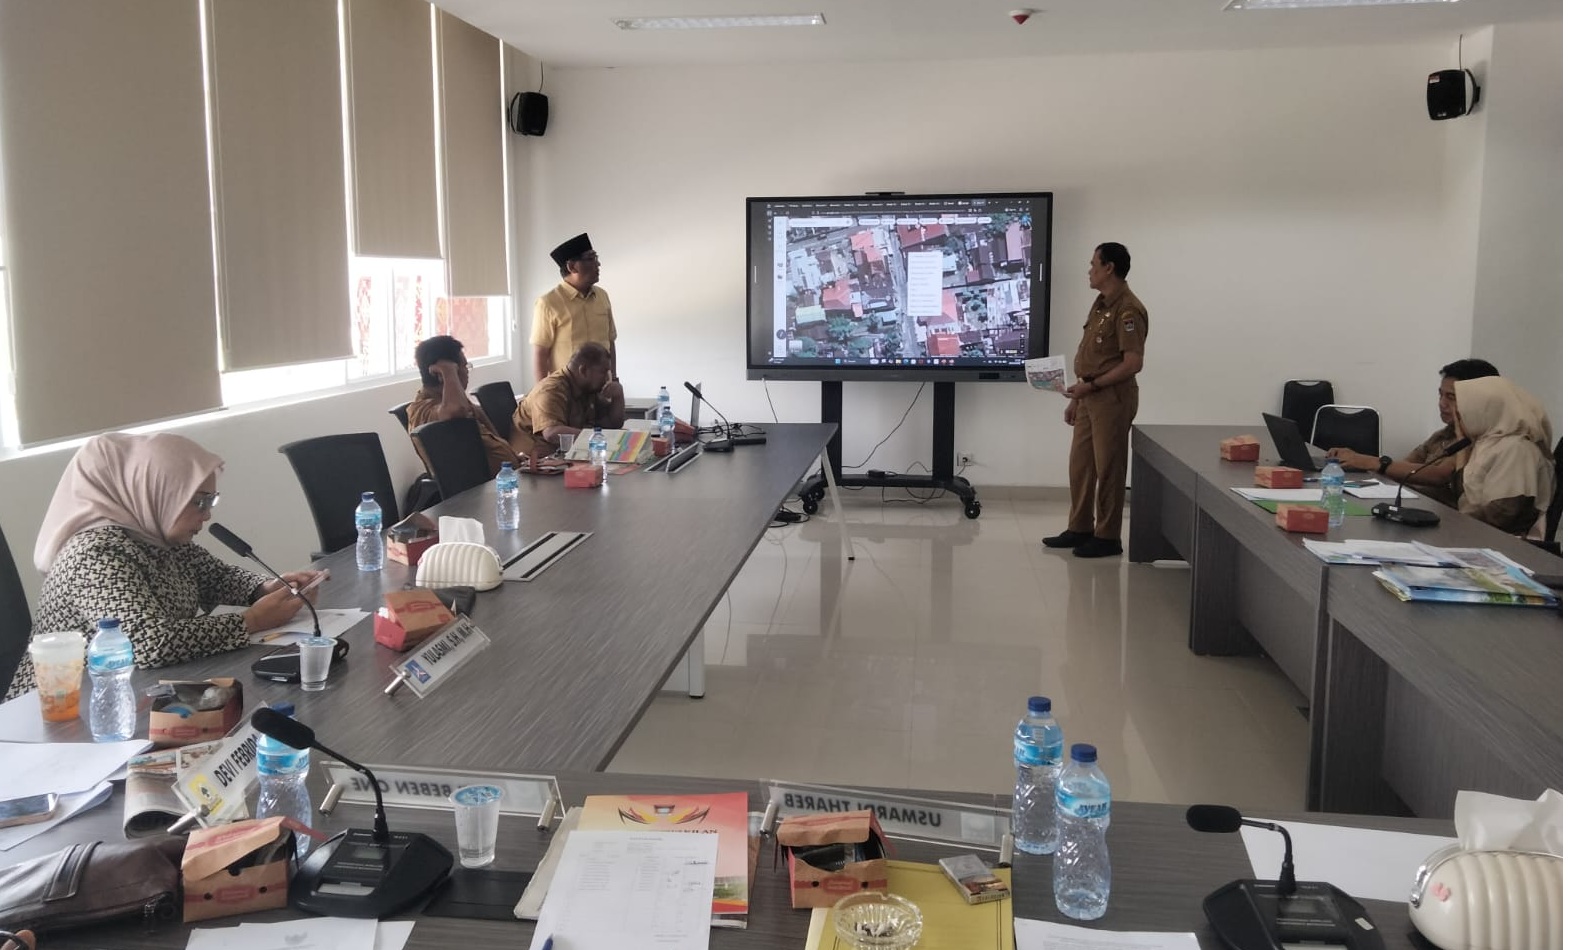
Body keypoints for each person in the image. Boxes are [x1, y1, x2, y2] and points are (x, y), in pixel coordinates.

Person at [3, 434, 318, 701]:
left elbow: (217, 577)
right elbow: (148, 643)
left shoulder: (156, 536)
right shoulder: (94, 554)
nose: (206, 515)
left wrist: (265, 587)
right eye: (199, 502)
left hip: (133, 695)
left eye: (211, 501)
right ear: (156, 491)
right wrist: (252, 620)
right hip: (60, 714)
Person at [1043, 243, 1148, 559]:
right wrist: (1078, 397)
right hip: (1088, 397)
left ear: (1109, 268)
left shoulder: (1128, 309)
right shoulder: (1101, 304)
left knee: (1109, 469)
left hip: (1111, 399)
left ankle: (1107, 536)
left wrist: (1092, 386)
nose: (1089, 270)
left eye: (1093, 264)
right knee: (1081, 466)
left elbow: (1132, 363)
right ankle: (1080, 527)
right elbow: (1093, 356)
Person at [1327, 358, 1499, 507]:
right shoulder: (1443, 435)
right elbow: (1405, 466)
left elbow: (1440, 475)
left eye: (1451, 397)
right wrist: (1356, 462)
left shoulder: (1478, 438)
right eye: (1440, 395)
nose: (1442, 403)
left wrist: (1368, 461)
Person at [1450, 376, 1554, 537]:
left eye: (1461, 415)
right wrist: (1461, 442)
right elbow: (1460, 494)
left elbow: (1501, 515)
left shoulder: (1518, 449)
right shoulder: (1486, 444)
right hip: (1476, 534)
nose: (1458, 420)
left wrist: (1453, 523)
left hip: (1508, 546)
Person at [407, 335, 525, 473]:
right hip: (480, 491)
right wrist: (449, 371)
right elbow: (456, 409)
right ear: (440, 374)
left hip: (506, 479)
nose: (467, 371)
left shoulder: (453, 400)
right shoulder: (421, 409)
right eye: (463, 366)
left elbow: (492, 434)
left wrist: (514, 456)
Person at [532, 232, 616, 382]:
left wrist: (614, 379)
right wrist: (543, 393)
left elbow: (610, 342)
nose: (598, 264)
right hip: (567, 392)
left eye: (596, 258)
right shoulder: (548, 303)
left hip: (602, 389)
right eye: (591, 259)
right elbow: (541, 353)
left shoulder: (602, 296)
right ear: (572, 267)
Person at [514, 342, 626, 445]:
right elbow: (552, 433)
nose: (607, 378)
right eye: (603, 372)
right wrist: (598, 438)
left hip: (564, 455)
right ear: (583, 370)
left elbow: (612, 423)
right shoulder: (550, 390)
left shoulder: (587, 388)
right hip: (535, 458)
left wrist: (618, 397)